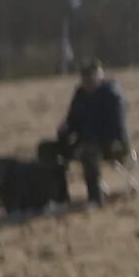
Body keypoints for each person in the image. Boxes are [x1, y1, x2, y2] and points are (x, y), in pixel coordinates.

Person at [58, 60, 130, 205]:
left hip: (110, 144)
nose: (87, 82)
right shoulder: (80, 96)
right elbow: (72, 121)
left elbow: (117, 128)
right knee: (47, 149)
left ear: (99, 77)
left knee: (89, 152)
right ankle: (57, 195)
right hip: (84, 141)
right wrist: (64, 133)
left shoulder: (111, 95)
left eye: (91, 78)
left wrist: (120, 146)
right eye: (84, 78)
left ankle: (95, 199)